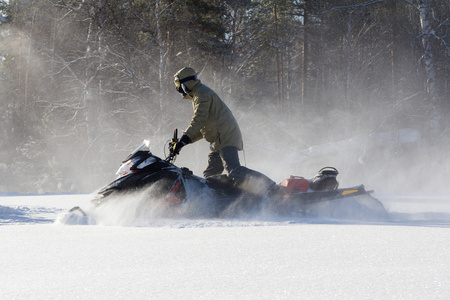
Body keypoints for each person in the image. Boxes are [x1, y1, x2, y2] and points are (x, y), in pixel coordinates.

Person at [171, 67, 281, 197]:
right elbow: (204, 127)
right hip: (218, 139)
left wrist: (184, 139)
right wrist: (185, 141)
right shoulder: (197, 94)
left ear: (185, 83)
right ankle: (228, 196)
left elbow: (199, 119)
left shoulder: (202, 94)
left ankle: (271, 188)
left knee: (234, 171)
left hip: (225, 136)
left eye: (178, 84)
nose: (178, 89)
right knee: (211, 176)